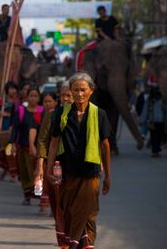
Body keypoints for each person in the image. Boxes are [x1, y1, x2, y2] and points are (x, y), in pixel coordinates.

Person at [47, 73, 112, 249]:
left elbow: (105, 146)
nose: (79, 94)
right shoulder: (61, 114)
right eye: (75, 90)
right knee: (68, 211)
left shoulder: (99, 114)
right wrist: (48, 170)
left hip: (90, 174)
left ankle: (81, 245)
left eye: (83, 90)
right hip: (67, 173)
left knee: (88, 214)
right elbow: (53, 143)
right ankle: (76, 242)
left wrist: (108, 176)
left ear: (91, 91)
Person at [34, 83, 73, 248]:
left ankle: (74, 238)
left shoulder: (84, 115)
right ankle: (64, 240)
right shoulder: (51, 115)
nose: (66, 99)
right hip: (55, 165)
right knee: (57, 204)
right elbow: (43, 140)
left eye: (69, 96)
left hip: (76, 167)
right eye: (63, 95)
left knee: (73, 205)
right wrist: (40, 166)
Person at [9, 86, 44, 205]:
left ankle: (40, 196)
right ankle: (27, 195)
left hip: (39, 148)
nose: (33, 98)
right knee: (25, 172)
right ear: (27, 97)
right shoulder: (21, 110)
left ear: (39, 98)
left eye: (36, 96)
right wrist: (13, 143)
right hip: (23, 146)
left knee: (37, 171)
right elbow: (15, 128)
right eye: (31, 96)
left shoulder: (42, 111)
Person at [0, 81, 20, 181]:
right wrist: (0, 117)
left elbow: (18, 115)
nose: (13, 90)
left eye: (14, 88)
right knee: (3, 151)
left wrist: (8, 115)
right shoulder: (1, 102)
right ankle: (7, 171)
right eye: (11, 88)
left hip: (14, 128)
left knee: (10, 150)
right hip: (4, 128)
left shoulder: (18, 102)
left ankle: (12, 173)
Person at [141, 85, 167, 157]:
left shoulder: (152, 100)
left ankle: (156, 150)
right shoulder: (150, 100)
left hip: (158, 121)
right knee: (155, 136)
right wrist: (143, 120)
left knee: (156, 136)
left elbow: (145, 110)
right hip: (156, 122)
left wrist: (142, 120)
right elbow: (145, 110)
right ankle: (155, 151)